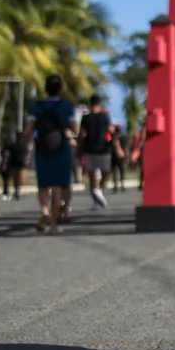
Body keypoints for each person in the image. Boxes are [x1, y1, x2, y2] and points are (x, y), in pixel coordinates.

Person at [24, 74, 79, 234]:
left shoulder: (37, 106)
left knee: (43, 184)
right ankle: (54, 225)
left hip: (41, 146)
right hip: (61, 147)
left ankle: (44, 211)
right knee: (57, 186)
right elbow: (75, 128)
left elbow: (29, 128)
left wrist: (26, 144)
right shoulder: (66, 106)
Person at [78, 95, 111, 208]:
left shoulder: (85, 118)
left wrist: (79, 149)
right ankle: (99, 191)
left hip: (89, 148)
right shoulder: (105, 117)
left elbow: (81, 135)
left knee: (92, 175)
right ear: (99, 104)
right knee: (106, 172)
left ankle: (96, 195)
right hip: (103, 148)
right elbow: (110, 131)